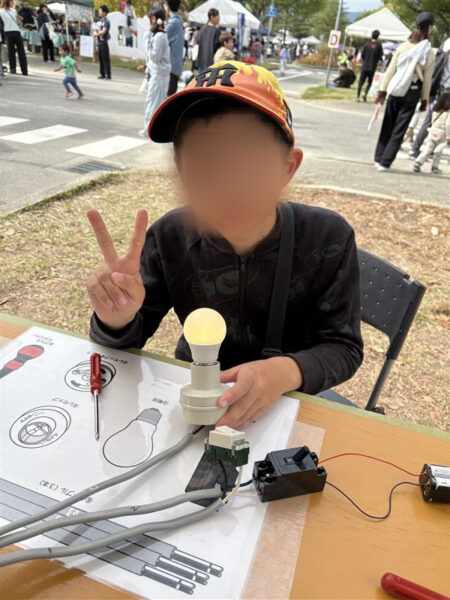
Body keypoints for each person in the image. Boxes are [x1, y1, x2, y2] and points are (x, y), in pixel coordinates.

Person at [86, 61, 363, 430]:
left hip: (289, 401)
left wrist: (283, 372)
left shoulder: (327, 237)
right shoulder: (169, 237)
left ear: (287, 168)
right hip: (196, 393)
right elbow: (125, 343)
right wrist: (116, 318)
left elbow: (343, 347)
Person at [374, 12, 436, 172]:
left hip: (395, 89)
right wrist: (424, 99)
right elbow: (427, 79)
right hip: (412, 92)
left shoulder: (403, 47)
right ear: (429, 28)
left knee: (387, 125)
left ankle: (378, 157)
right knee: (399, 129)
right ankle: (385, 162)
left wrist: (382, 91)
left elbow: (390, 71)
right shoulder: (428, 52)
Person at [410, 37, 450, 159]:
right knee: (435, 120)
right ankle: (419, 148)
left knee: (433, 119)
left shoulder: (446, 43)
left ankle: (420, 148)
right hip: (444, 90)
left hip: (440, 89)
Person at [139, 7, 170, 137]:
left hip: (159, 75)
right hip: (158, 73)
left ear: (154, 19)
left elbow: (154, 57)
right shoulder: (159, 36)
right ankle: (153, 129)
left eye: (149, 20)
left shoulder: (159, 37)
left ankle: (149, 130)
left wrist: (147, 40)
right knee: (155, 102)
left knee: (153, 103)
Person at [413, 90, 449, 174]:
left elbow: (433, 120)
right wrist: (448, 136)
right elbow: (448, 124)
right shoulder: (448, 111)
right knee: (438, 151)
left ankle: (418, 163)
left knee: (428, 148)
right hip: (442, 132)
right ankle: (434, 166)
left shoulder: (436, 109)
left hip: (433, 130)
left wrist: (434, 127)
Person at [0, 0, 28, 75]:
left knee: (11, 51)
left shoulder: (1, 11)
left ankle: (13, 69)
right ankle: (24, 71)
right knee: (21, 51)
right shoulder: (13, 10)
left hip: (8, 32)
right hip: (16, 32)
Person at [356, 29, 383, 102]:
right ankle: (365, 95)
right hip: (372, 67)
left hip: (365, 66)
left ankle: (357, 96)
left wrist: (365, 59)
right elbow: (380, 56)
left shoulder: (366, 44)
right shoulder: (379, 45)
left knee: (361, 82)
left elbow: (362, 55)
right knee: (369, 82)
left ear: (372, 35)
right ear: (378, 36)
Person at [165, 0, 183, 96]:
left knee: (167, 98)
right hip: (175, 66)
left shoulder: (174, 23)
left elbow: (161, 38)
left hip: (171, 67)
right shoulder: (178, 21)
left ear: (167, 5)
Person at [197, 7, 220, 71]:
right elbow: (217, 47)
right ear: (212, 17)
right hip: (211, 63)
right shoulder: (216, 31)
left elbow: (198, 42)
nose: (219, 18)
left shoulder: (202, 29)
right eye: (218, 16)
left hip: (201, 62)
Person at [93, 5, 111, 80]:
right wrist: (95, 30)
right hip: (99, 42)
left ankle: (108, 75)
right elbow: (94, 27)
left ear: (104, 12)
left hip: (104, 42)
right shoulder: (100, 21)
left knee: (105, 59)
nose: (99, 12)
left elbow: (104, 31)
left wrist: (96, 34)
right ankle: (102, 74)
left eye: (100, 11)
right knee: (100, 58)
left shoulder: (107, 21)